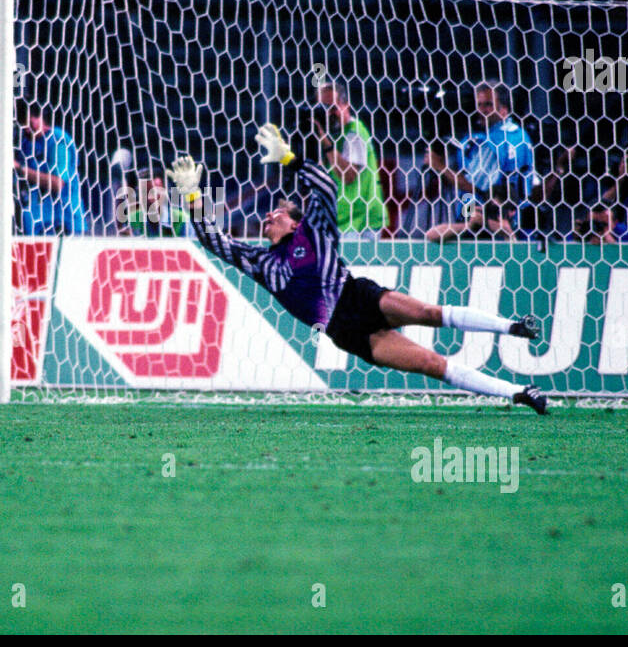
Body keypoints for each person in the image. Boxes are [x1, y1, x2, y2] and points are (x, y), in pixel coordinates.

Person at [168, 123, 548, 413]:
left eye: (278, 212)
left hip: (362, 297)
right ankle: (518, 393)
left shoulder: (314, 230)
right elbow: (213, 239)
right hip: (346, 332)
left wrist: (289, 158)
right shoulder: (260, 262)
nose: (269, 215)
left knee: (429, 313)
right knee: (432, 364)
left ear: (295, 222)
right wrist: (191, 194)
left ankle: (512, 327)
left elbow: (326, 188)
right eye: (268, 214)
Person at [428, 81, 538, 228]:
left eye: (488, 105)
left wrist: (438, 165)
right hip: (517, 219)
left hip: (487, 223)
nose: (481, 110)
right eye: (479, 105)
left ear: (504, 109)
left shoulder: (493, 141)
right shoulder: (521, 136)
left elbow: (473, 187)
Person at [312, 81, 386, 238]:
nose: (329, 113)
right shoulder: (336, 134)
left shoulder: (354, 133)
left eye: (332, 107)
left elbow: (348, 175)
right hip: (344, 220)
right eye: (323, 108)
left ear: (346, 105)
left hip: (361, 222)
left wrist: (325, 141)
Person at [16, 104, 87, 234]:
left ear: (41, 117)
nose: (26, 129)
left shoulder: (58, 140)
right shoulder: (27, 143)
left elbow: (57, 183)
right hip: (37, 224)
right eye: (22, 125)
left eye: (29, 124)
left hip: (63, 224)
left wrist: (19, 168)